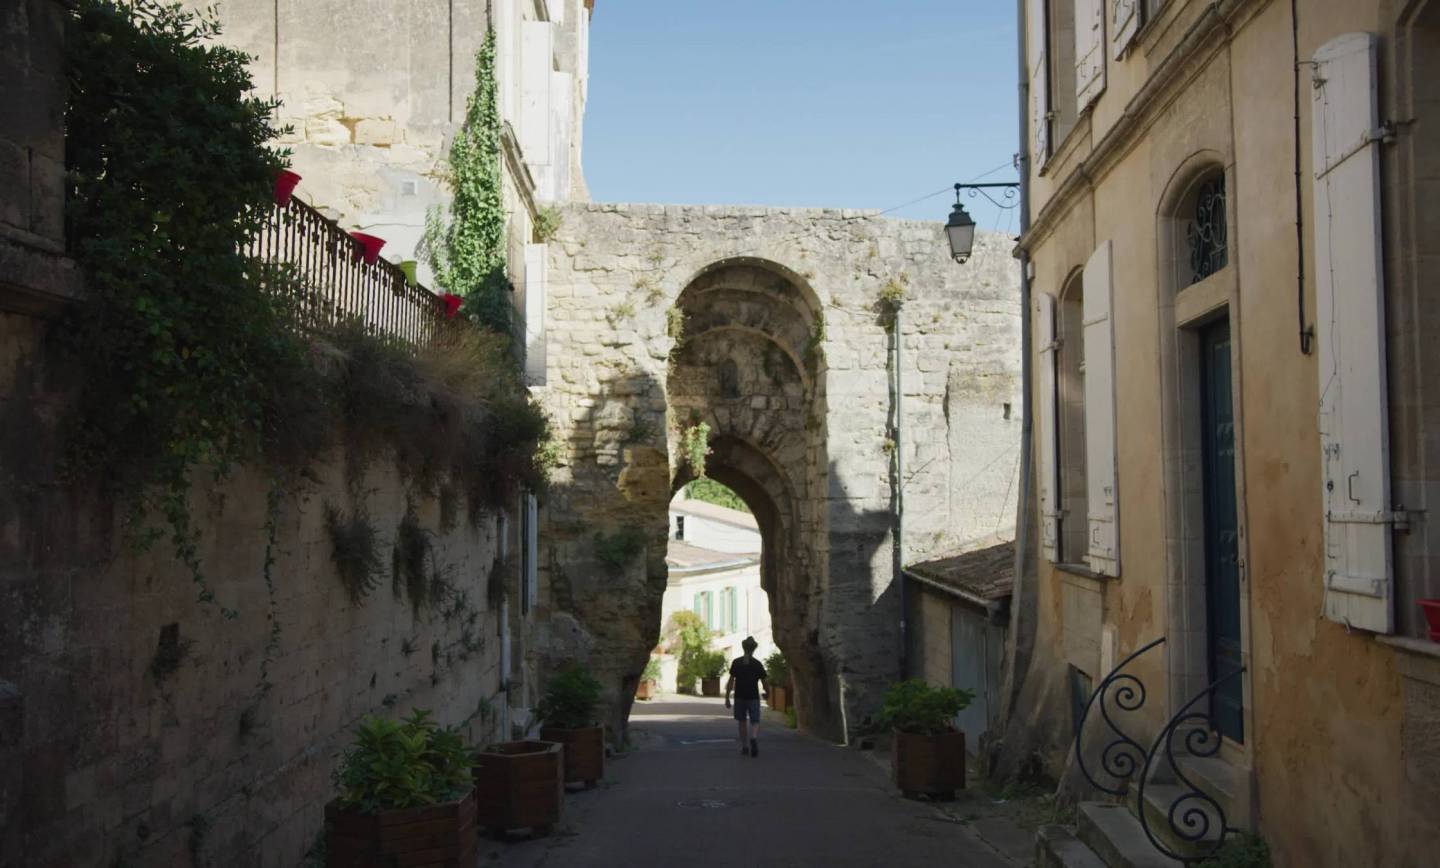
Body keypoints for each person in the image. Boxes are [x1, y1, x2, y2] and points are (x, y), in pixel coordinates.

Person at [724, 636, 768, 757]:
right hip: (753, 696)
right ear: (754, 649)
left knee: (742, 721)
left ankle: (745, 746)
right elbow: (765, 682)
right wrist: (768, 692)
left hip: (739, 696)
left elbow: (731, 681)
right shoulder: (757, 664)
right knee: (755, 720)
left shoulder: (736, 663)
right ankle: (753, 737)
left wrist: (727, 697)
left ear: (743, 648)